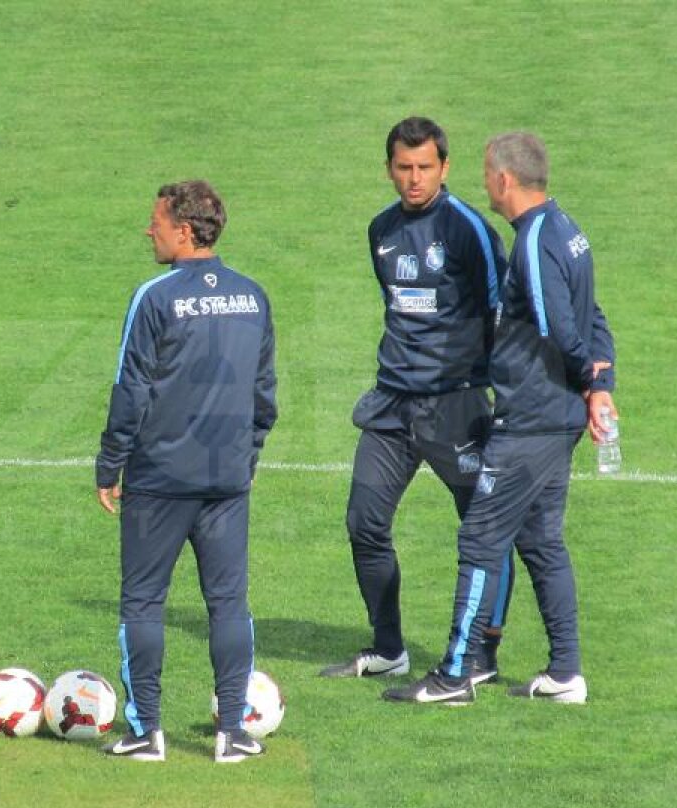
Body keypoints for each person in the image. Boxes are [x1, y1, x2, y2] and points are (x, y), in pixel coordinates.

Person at [384, 131, 617, 705]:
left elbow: (558, 325)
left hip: (531, 419)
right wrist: (600, 386)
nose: (485, 182)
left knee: (481, 538)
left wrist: (590, 381)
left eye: (488, 173)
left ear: (504, 180)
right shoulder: (568, 230)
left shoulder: (535, 241)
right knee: (540, 542)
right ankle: (566, 672)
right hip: (557, 416)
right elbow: (596, 315)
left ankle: (457, 672)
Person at [321, 117, 514, 683]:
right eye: (403, 167)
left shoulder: (468, 229)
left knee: (483, 529)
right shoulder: (380, 229)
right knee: (364, 523)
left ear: (444, 167)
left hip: (457, 405)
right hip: (390, 405)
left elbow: (501, 310)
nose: (413, 178)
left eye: (424, 167)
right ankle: (388, 648)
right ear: (388, 168)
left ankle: (483, 654)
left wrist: (502, 391)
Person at [95, 180, 277, 763]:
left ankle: (146, 730)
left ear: (183, 229)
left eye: (155, 222)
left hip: (160, 479)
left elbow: (131, 390)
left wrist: (110, 462)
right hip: (227, 479)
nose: (147, 230)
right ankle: (234, 732)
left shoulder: (154, 296)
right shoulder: (253, 296)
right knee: (228, 603)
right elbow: (264, 394)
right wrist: (245, 458)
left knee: (143, 602)